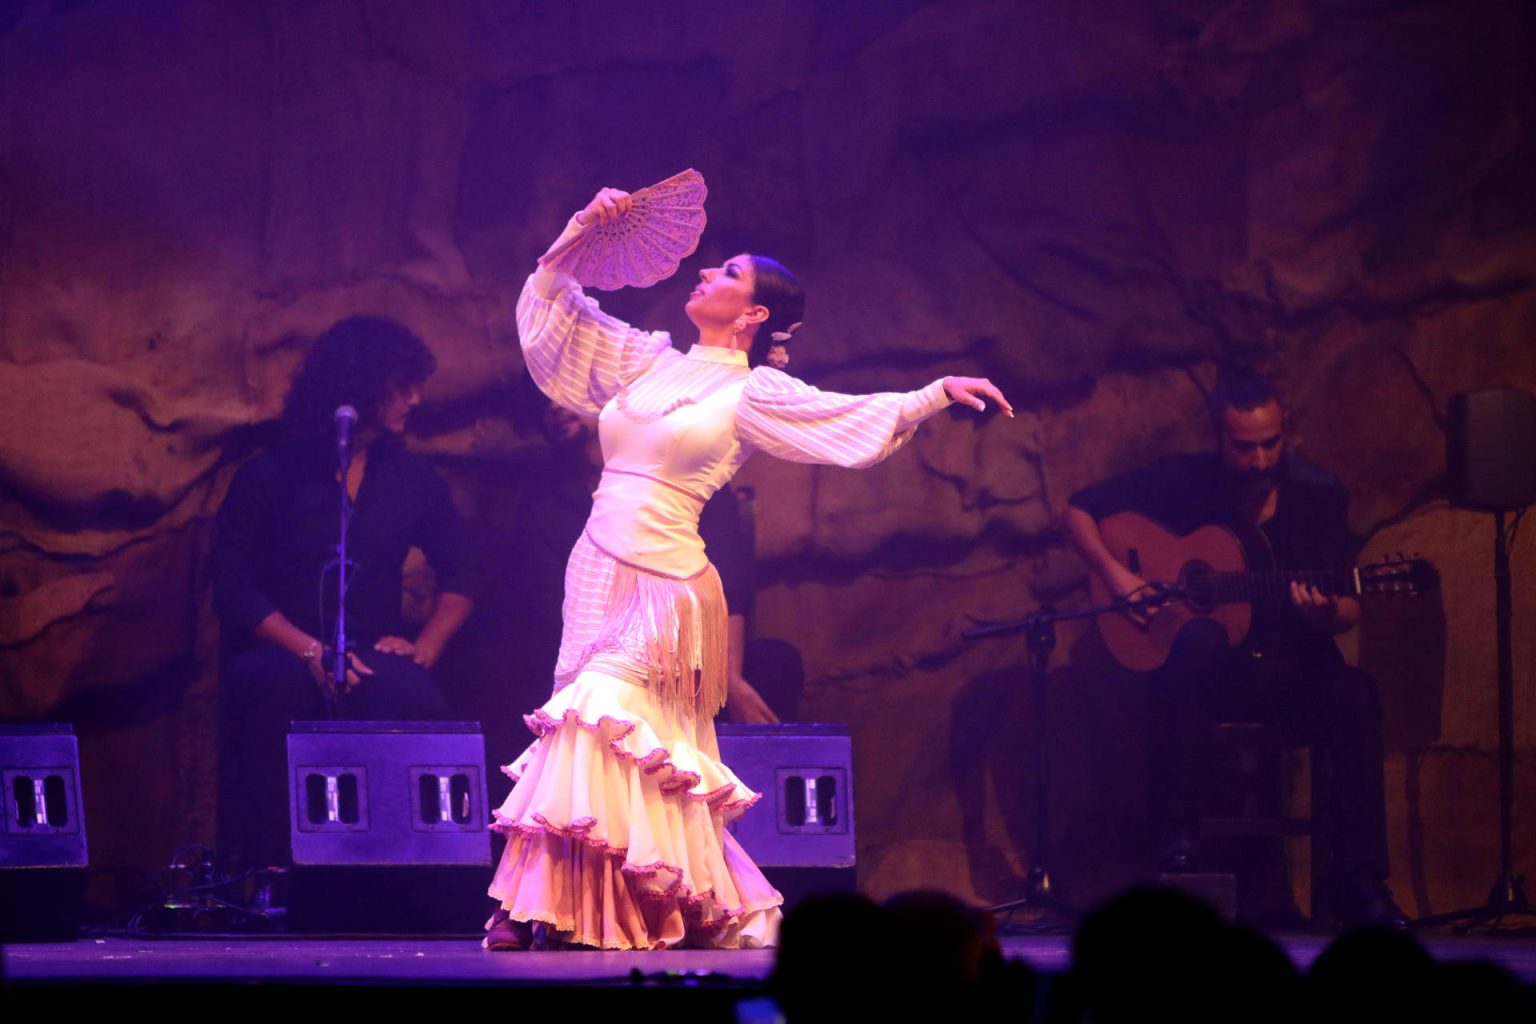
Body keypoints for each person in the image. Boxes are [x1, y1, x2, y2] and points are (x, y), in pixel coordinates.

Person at [485, 187, 1012, 950]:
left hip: (670, 584)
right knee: (600, 734)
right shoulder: (644, 360)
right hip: (596, 565)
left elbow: (846, 414)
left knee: (601, 711)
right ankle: (584, 908)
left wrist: (933, 394)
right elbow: (551, 306)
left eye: (727, 271)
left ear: (753, 313)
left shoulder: (751, 391)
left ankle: (530, 905)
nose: (706, 271)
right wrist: (581, 228)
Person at [1059, 371, 1406, 929]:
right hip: (1215, 674)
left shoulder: (1318, 494)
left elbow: (1348, 607)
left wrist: (1327, 614)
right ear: (1219, 439)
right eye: (1245, 447)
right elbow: (1076, 511)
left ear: (1284, 432)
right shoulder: (1183, 482)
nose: (1261, 460)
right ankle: (1179, 842)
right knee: (1197, 642)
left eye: (1271, 444)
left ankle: (1362, 879)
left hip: (1295, 667)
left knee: (1355, 694)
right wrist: (1120, 578)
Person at [214, 316, 477, 871]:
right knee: (270, 692)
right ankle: (275, 875)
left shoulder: (411, 478)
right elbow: (233, 587)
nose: (414, 398)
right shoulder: (272, 472)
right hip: (284, 647)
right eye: (402, 384)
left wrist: (425, 646)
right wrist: (307, 649)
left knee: (411, 700)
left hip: (371, 648)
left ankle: (416, 875)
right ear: (362, 383)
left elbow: (464, 572)